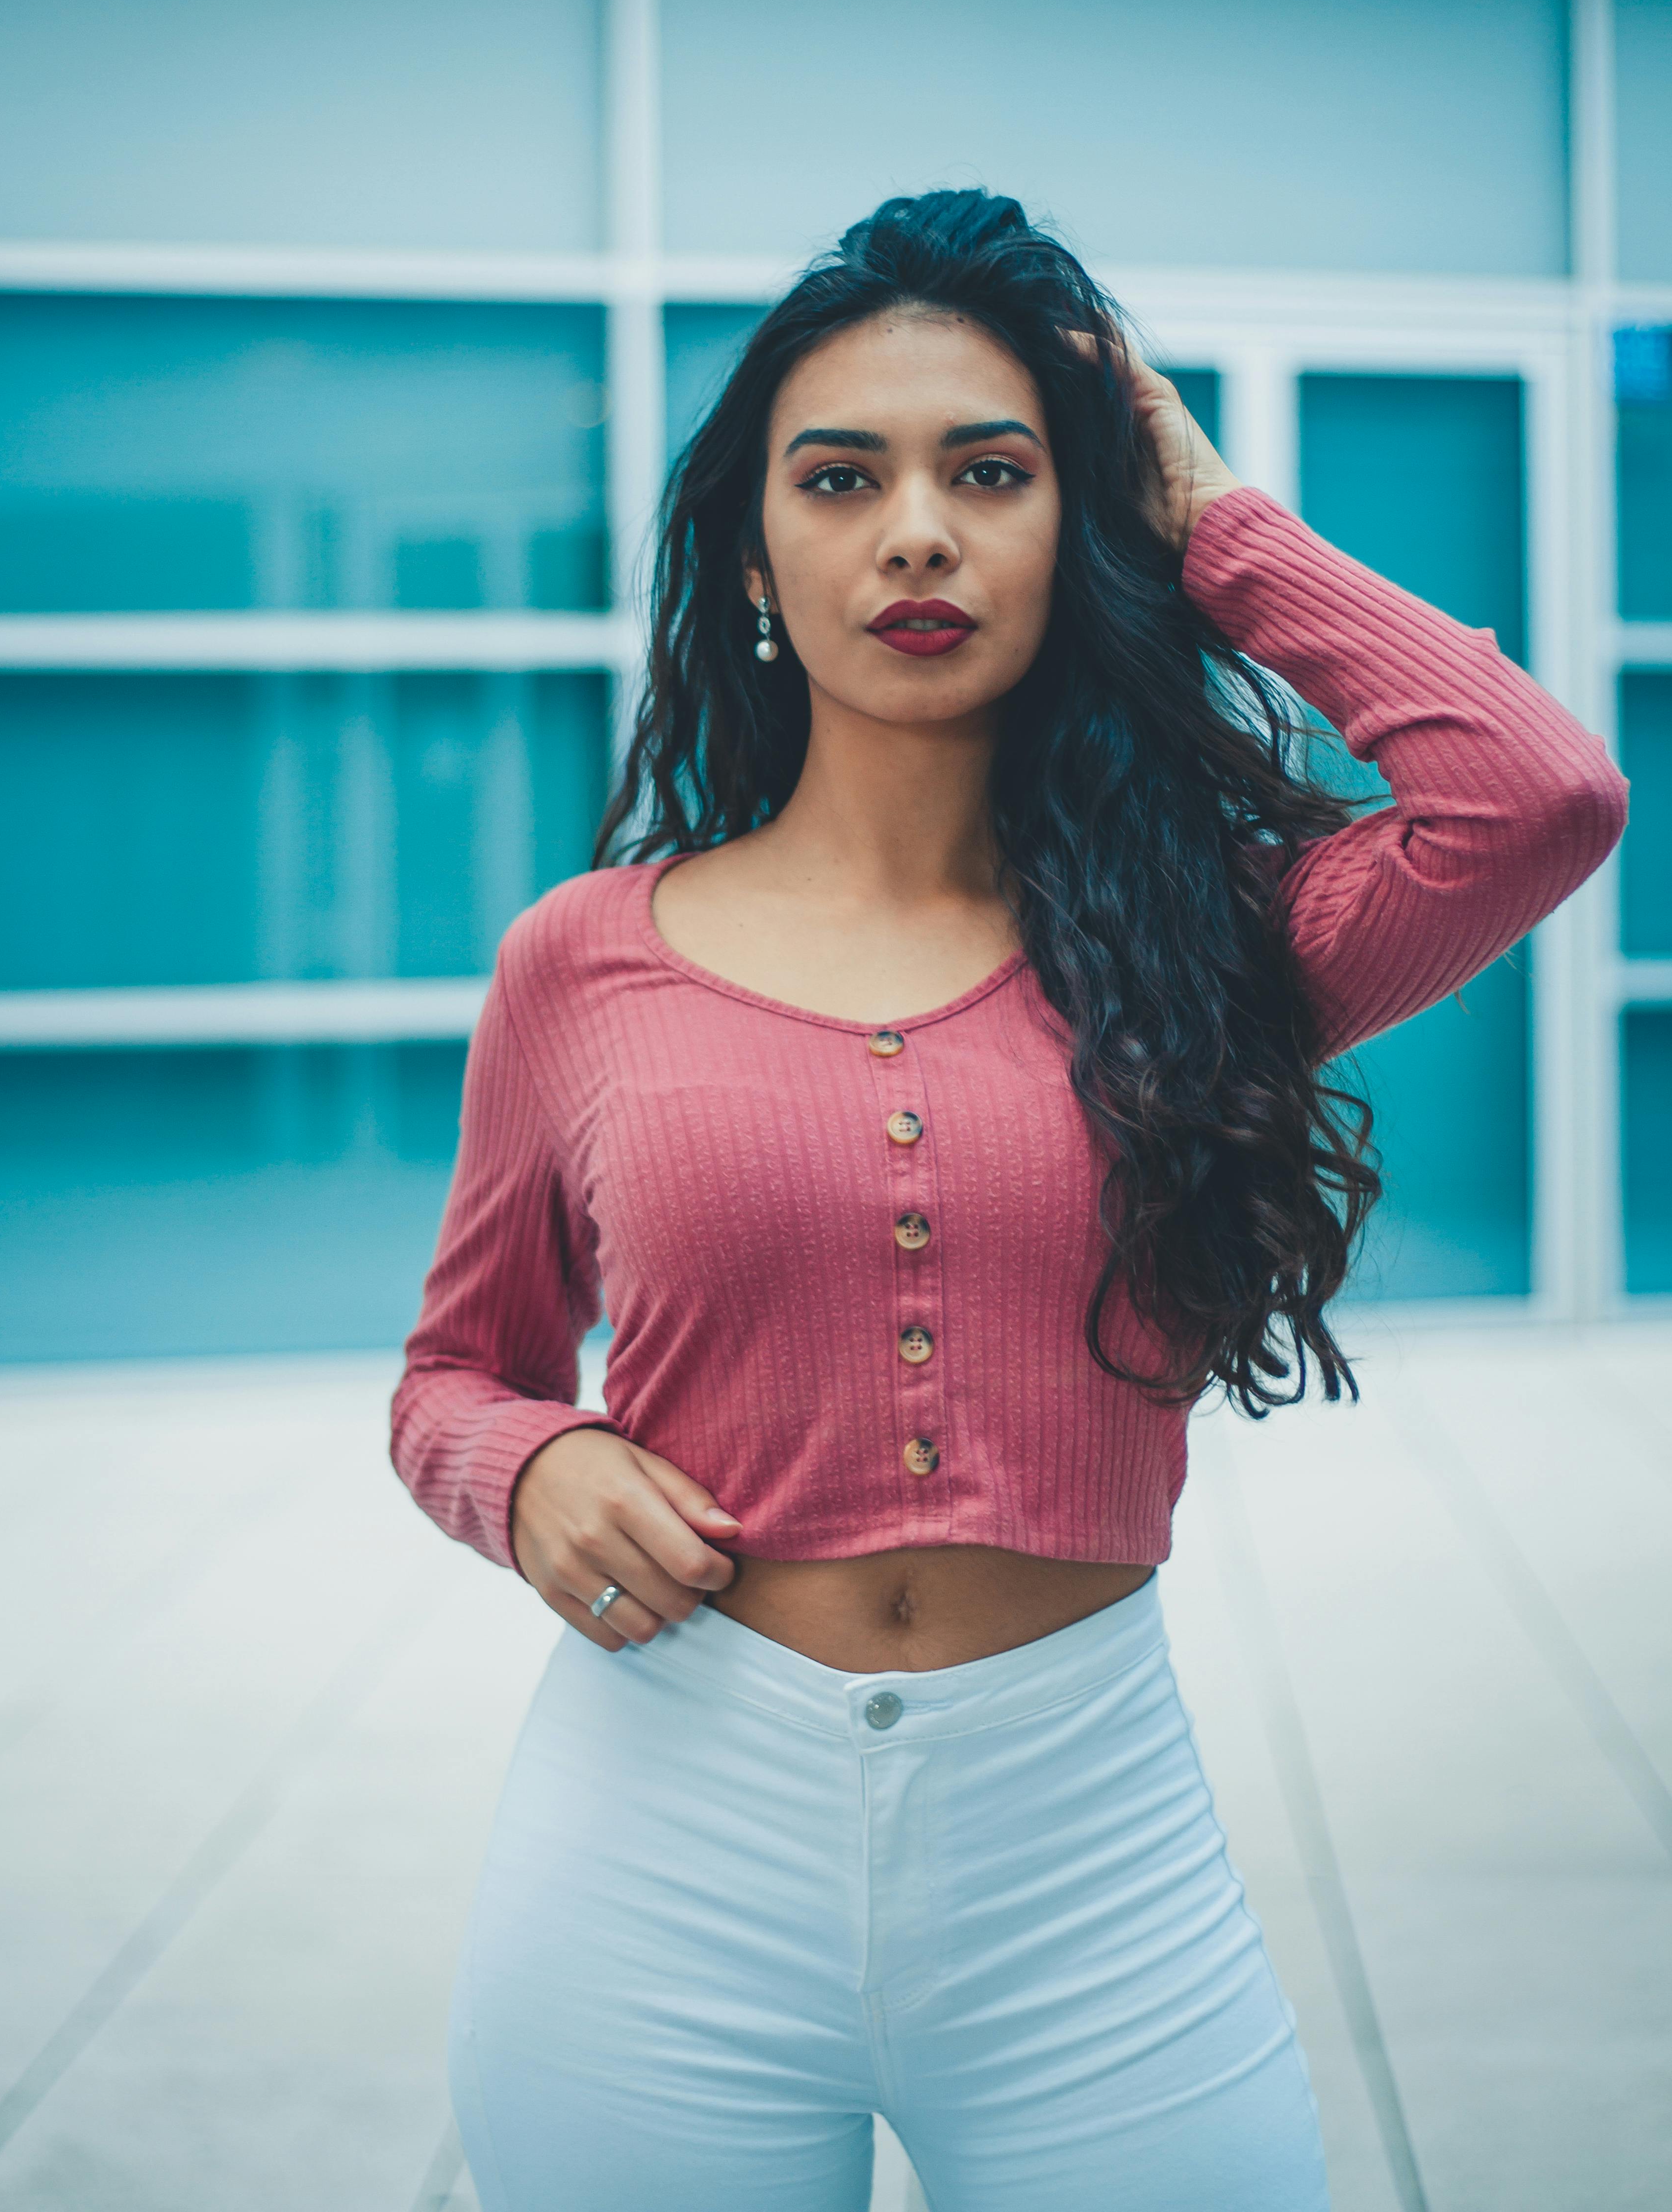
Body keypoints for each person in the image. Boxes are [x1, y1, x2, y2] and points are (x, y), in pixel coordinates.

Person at [391, 192, 1628, 2212]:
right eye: (840, 477)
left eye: (992, 473)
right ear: (758, 554)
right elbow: (456, 1371)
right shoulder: (579, 962)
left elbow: (1537, 794)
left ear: (1081, 527)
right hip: (658, 1836)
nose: (917, 534)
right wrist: (520, 1471)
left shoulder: (1217, 946)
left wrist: (1218, 519)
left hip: (1088, 1850)